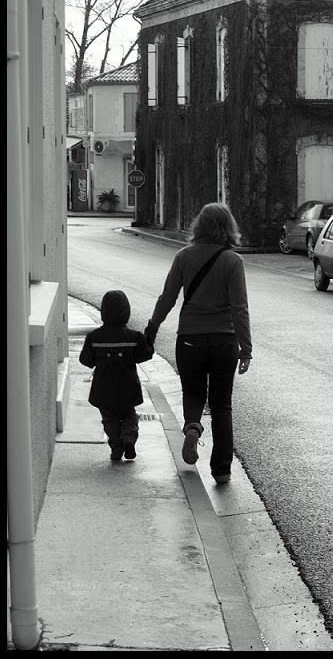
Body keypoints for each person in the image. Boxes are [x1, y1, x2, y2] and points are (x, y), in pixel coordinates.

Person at [144, 202, 252, 485]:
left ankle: (192, 426)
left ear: (199, 226)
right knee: (221, 405)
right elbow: (239, 308)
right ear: (229, 227)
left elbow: (167, 297)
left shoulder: (183, 257)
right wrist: (246, 348)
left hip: (190, 339)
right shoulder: (233, 261)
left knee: (193, 393)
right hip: (224, 341)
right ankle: (222, 470)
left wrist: (152, 328)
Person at [79, 290, 154, 461]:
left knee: (109, 418)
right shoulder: (134, 337)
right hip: (128, 388)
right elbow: (145, 354)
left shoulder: (94, 337)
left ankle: (116, 448)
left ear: (103, 312)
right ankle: (129, 436)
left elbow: (86, 360)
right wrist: (149, 338)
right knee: (129, 414)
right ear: (126, 312)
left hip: (103, 389)